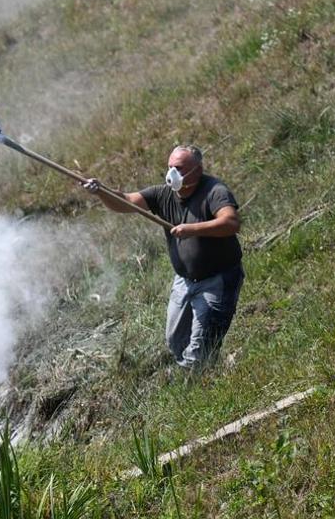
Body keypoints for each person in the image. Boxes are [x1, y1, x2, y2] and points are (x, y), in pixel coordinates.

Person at [82, 146, 243, 369]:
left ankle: (201, 383)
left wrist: (193, 229)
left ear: (197, 170)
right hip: (184, 281)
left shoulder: (214, 191)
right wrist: (101, 192)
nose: (172, 174)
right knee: (175, 341)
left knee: (201, 349)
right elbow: (126, 201)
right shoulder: (162, 194)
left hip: (217, 281)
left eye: (178, 168)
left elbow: (231, 223)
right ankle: (205, 372)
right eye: (169, 167)